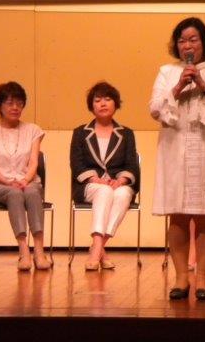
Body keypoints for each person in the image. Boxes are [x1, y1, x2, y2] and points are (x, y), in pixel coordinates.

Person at [150, 17, 205, 301]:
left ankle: (202, 278)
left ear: (204, 42)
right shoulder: (167, 72)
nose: (187, 45)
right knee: (177, 215)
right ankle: (180, 277)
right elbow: (155, 109)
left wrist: (203, 84)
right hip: (176, 149)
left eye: (193, 39)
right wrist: (178, 87)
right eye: (182, 40)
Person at [0, 82, 51, 271]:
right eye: (10, 103)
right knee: (14, 193)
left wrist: (25, 180)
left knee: (32, 192)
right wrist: (8, 182)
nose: (15, 107)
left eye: (19, 103)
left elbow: (33, 162)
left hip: (28, 182)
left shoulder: (33, 130)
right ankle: (23, 251)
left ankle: (39, 251)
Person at [70, 82, 140, 271]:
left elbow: (131, 165)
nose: (102, 103)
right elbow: (77, 164)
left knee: (124, 194)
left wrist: (121, 180)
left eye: (107, 99)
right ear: (91, 106)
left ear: (115, 104)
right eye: (97, 100)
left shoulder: (126, 134)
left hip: (117, 184)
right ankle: (97, 252)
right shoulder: (80, 133)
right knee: (103, 191)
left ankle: (97, 246)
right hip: (89, 185)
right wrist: (96, 179)